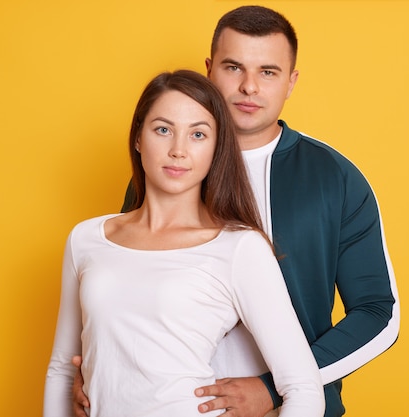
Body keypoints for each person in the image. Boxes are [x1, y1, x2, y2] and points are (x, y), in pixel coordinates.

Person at [72, 5, 400, 417]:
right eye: (233, 67)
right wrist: (92, 374)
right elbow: (121, 291)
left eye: (267, 72)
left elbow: (377, 314)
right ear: (209, 70)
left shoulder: (334, 178)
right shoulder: (166, 170)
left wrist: (275, 389)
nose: (249, 87)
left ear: (291, 81)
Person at [43, 69, 326, 417]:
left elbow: (303, 388)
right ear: (137, 137)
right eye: (163, 130)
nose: (178, 150)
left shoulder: (239, 248)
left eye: (198, 134)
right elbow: (61, 369)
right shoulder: (86, 240)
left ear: (216, 148)